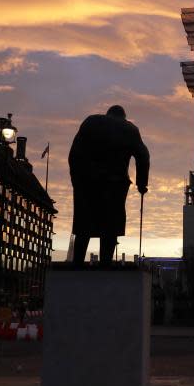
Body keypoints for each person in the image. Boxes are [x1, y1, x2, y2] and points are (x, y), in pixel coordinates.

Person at [68, 105, 149, 266]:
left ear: (107, 114)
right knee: (110, 225)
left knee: (84, 223)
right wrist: (141, 184)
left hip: (87, 183)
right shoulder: (130, 129)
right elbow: (143, 156)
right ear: (123, 117)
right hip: (115, 184)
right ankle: (105, 264)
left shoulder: (90, 122)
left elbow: (74, 154)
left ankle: (77, 263)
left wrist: (77, 180)